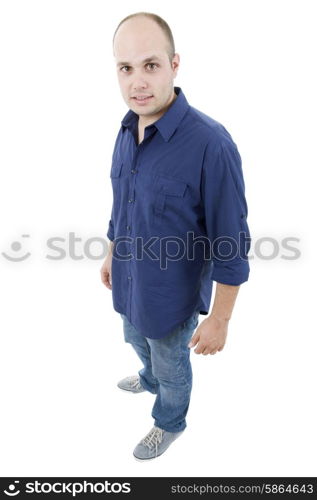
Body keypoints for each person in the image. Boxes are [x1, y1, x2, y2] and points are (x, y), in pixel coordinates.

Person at [100, 11, 251, 460]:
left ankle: (169, 419)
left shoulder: (211, 143)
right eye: (126, 68)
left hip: (172, 301)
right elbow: (121, 204)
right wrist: (112, 255)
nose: (138, 82)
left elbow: (231, 242)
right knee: (134, 339)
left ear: (174, 65)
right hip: (128, 284)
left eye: (150, 65)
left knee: (171, 365)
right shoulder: (127, 127)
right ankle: (147, 378)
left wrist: (220, 319)